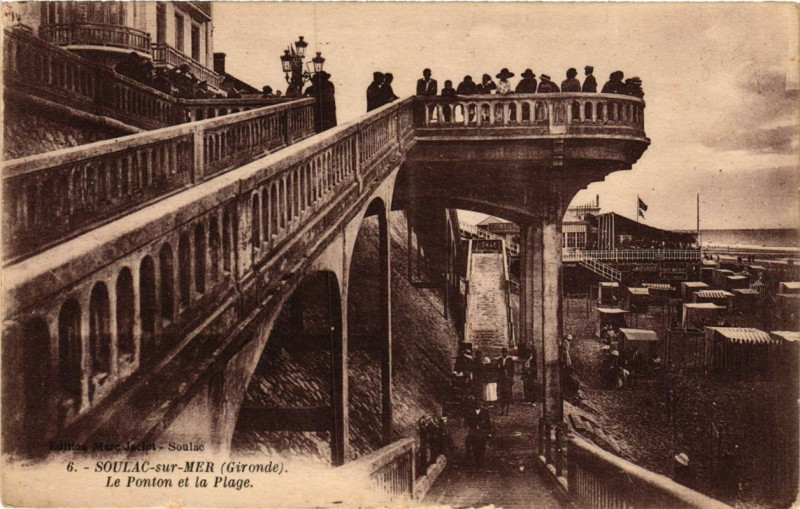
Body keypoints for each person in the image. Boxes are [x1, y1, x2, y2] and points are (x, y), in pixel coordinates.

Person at [464, 397, 492, 468]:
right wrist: (467, 427)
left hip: (482, 431)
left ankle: (481, 460)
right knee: (474, 447)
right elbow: (466, 421)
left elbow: (488, 423)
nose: (477, 405)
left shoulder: (485, 411)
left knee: (482, 446)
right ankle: (477, 461)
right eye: (476, 404)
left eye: (479, 403)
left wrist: (489, 432)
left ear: (481, 404)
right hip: (474, 432)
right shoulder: (470, 412)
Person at [497, 348, 515, 416]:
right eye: (503, 353)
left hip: (508, 380)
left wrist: (510, 376)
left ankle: (507, 411)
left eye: (505, 353)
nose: (504, 354)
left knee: (508, 395)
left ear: (507, 353)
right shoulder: (499, 360)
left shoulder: (510, 360)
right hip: (502, 380)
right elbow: (498, 369)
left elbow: (512, 370)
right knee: (502, 396)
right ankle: (502, 410)